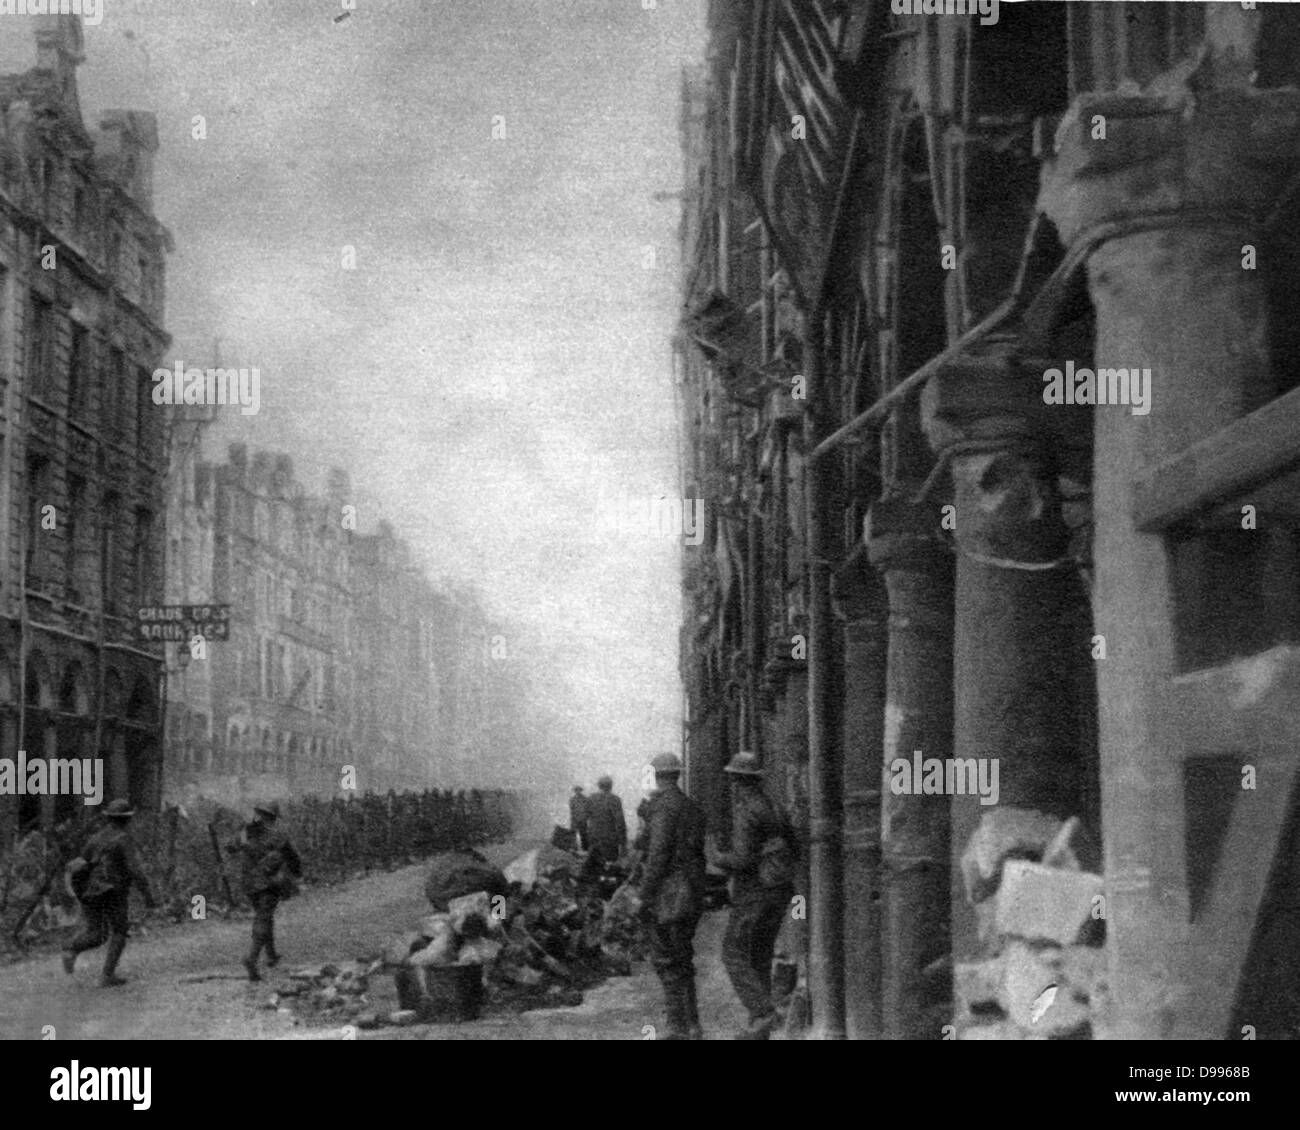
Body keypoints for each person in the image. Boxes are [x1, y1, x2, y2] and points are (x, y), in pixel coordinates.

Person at [707, 751, 795, 1040]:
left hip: (753, 893)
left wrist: (717, 856)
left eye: (732, 778)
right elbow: (795, 847)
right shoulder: (775, 805)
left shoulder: (747, 809)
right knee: (759, 955)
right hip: (779, 891)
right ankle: (760, 1030)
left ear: (736, 780)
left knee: (732, 953)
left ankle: (762, 1013)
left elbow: (743, 860)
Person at [637, 753, 706, 1040]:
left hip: (670, 892)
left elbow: (658, 855)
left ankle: (677, 1026)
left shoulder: (662, 808)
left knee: (667, 960)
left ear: (656, 775)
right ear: (677, 775)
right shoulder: (690, 806)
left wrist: (643, 894)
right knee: (683, 957)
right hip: (692, 887)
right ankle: (692, 1024)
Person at [62, 799, 157, 987]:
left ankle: (71, 949)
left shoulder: (95, 838)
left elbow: (83, 862)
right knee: (120, 930)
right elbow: (135, 870)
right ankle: (107, 976)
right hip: (114, 891)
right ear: (128, 819)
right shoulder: (124, 839)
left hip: (90, 891)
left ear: (108, 818)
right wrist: (148, 897)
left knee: (97, 934)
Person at [229, 801, 302, 982]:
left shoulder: (245, 833)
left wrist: (242, 835)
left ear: (258, 813)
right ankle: (252, 957)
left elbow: (229, 847)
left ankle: (271, 955)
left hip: (249, 885)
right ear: (273, 817)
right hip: (269, 884)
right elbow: (293, 857)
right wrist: (297, 873)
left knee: (264, 916)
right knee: (264, 917)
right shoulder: (277, 834)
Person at [580, 774, 628, 887]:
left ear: (599, 785)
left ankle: (594, 890)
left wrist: (585, 841)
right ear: (611, 786)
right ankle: (607, 891)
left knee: (595, 866)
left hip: (594, 840)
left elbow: (582, 821)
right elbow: (620, 823)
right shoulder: (615, 800)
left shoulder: (590, 799)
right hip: (609, 841)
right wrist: (623, 844)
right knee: (609, 868)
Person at [568, 785, 589, 851]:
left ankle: (585, 848)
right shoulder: (572, 799)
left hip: (583, 819)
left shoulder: (585, 799)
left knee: (583, 834)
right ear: (575, 791)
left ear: (580, 791)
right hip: (575, 819)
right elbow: (572, 809)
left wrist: (585, 817)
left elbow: (587, 809)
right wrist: (573, 817)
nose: (577, 791)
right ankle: (574, 848)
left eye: (579, 790)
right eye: (576, 790)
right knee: (573, 834)